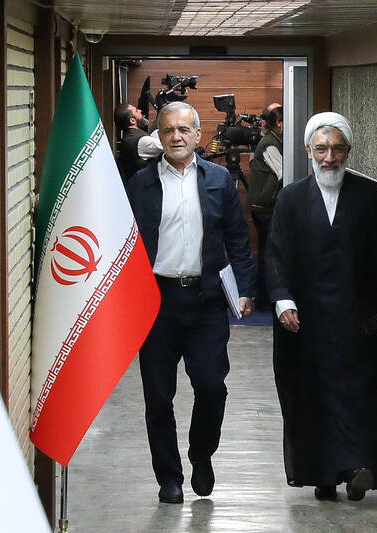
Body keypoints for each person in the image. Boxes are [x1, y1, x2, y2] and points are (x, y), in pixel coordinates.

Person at [265, 112, 377, 502]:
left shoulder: (368, 195)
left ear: (348, 151)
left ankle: (357, 468)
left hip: (358, 319)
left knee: (359, 394)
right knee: (314, 397)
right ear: (308, 151)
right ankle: (323, 474)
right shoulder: (291, 198)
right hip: (308, 321)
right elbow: (276, 254)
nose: (329, 158)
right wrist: (282, 300)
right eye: (321, 149)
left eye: (337, 149)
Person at [127, 101, 257, 504]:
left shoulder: (219, 180)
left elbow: (238, 238)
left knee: (212, 387)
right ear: (159, 136)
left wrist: (246, 288)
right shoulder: (141, 183)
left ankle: (202, 453)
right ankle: (169, 478)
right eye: (169, 130)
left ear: (198, 135)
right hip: (156, 303)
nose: (177, 137)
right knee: (158, 397)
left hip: (206, 302)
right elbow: (125, 242)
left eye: (184, 130)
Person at [247, 106, 283, 311]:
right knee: (268, 252)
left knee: (267, 251)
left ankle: (264, 299)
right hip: (265, 206)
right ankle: (263, 300)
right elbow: (283, 173)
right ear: (279, 123)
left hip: (265, 204)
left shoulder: (272, 140)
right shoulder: (270, 144)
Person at [115, 102, 163, 182]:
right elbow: (169, 147)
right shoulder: (141, 141)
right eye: (136, 111)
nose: (140, 111)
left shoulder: (129, 137)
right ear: (132, 120)